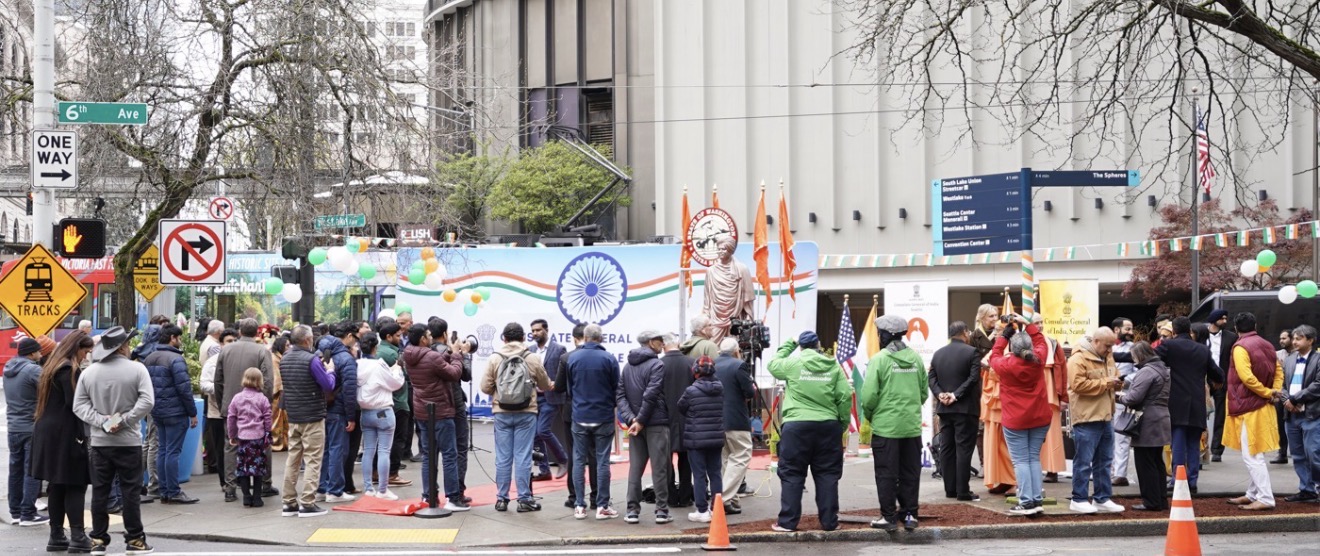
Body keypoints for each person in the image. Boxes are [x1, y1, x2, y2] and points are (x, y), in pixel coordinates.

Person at [72, 327, 155, 555]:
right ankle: (135, 539)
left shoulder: (89, 372)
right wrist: (125, 420)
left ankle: (98, 539)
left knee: (100, 492)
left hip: (100, 442)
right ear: (122, 347)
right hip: (128, 441)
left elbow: (79, 406)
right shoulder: (137, 369)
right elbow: (147, 401)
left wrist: (102, 422)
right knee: (130, 492)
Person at [766, 331, 852, 533]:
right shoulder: (833, 366)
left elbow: (773, 364)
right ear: (818, 345)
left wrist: (790, 343)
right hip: (827, 425)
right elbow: (844, 396)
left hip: (796, 426)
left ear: (801, 347)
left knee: (792, 473)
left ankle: (787, 522)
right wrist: (842, 424)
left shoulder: (793, 364)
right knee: (828, 474)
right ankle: (830, 522)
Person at [862, 315, 930, 530]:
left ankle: (889, 517)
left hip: (886, 428)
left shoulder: (879, 360)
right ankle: (910, 515)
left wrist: (872, 415)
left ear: (885, 335)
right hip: (911, 427)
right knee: (910, 473)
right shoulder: (916, 358)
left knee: (886, 473)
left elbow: (868, 397)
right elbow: (923, 393)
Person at [31, 332, 95, 552]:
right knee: (76, 484)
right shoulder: (69, 369)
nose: (86, 356)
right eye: (85, 351)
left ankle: (56, 535)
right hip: (65, 433)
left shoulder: (51, 366)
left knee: (56, 485)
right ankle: (78, 536)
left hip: (47, 432)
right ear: (76, 348)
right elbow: (75, 404)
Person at [481, 322, 553, 512]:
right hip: (526, 413)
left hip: (501, 413)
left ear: (504, 339)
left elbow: (485, 387)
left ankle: (501, 499)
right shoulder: (532, 357)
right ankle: (524, 499)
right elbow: (545, 385)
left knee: (503, 457)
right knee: (523, 456)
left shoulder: (495, 358)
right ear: (523, 338)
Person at [989, 315, 1052, 517]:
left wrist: (1004, 337)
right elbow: (1042, 342)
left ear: (1013, 349)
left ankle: (1026, 502)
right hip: (1040, 417)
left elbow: (993, 355)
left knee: (1021, 461)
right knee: (1033, 458)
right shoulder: (1038, 359)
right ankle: (1036, 499)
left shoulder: (1005, 365)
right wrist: (1027, 323)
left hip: (1015, 419)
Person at [402, 323, 468, 511]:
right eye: (428, 335)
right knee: (449, 455)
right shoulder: (431, 356)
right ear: (423, 339)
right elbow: (454, 373)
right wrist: (457, 355)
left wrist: (448, 354)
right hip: (441, 411)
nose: (431, 337)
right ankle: (453, 498)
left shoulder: (409, 354)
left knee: (428, 456)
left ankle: (428, 495)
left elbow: (435, 365)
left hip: (423, 411)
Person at [1155, 317, 1224, 494]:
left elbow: (1150, 359)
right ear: (1189, 330)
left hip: (1177, 401)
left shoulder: (1169, 346)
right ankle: (1192, 481)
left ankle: (1178, 480)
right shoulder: (1202, 349)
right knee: (1193, 443)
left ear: (1174, 331)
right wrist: (1218, 381)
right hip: (1197, 402)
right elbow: (1217, 372)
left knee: (1177, 442)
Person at [1223, 312, 1283, 510]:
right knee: (1255, 453)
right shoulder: (1268, 345)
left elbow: (1246, 377)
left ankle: (1265, 498)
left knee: (1252, 456)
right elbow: (1279, 371)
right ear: (1255, 326)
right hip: (1262, 405)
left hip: (1248, 407)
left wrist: (1267, 392)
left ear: (1235, 328)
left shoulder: (1240, 347)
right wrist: (1273, 391)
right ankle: (1253, 494)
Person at [215, 319, 275, 503]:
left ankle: (230, 488)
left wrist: (222, 403)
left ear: (240, 331)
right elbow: (268, 380)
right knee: (263, 445)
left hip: (231, 405)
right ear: (257, 332)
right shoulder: (262, 351)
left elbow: (218, 380)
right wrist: (264, 402)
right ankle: (265, 484)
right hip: (256, 407)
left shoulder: (225, 350)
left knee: (231, 445)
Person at [279, 325, 336, 518]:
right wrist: (330, 371)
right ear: (307, 340)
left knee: (293, 459)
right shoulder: (311, 360)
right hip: (312, 416)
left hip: (294, 415)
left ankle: (288, 502)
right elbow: (328, 385)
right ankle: (307, 503)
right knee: (313, 459)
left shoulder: (285, 358)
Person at [1066, 327, 1125, 514]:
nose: (1110, 350)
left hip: (1106, 416)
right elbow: (1077, 385)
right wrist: (1108, 382)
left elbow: (1113, 376)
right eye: (1107, 346)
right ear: (1096, 341)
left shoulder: (1107, 356)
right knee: (1084, 461)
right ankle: (1079, 499)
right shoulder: (1078, 359)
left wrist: (1118, 383)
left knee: (1104, 461)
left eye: (1112, 346)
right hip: (1087, 418)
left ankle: (1102, 498)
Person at [617, 330, 673, 524]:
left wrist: (632, 419)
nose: (662, 343)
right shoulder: (657, 364)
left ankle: (632, 510)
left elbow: (620, 396)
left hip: (635, 425)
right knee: (660, 468)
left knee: (635, 468)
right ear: (650, 342)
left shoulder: (627, 366)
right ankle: (661, 510)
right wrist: (639, 420)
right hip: (655, 423)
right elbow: (651, 394)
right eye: (659, 340)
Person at [566, 324, 621, 520]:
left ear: (585, 337)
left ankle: (579, 505)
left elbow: (570, 389)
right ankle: (602, 505)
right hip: (603, 415)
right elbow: (616, 388)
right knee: (602, 461)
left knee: (579, 460)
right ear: (601, 338)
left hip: (580, 415)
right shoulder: (609, 359)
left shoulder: (573, 358)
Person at [143, 324, 199, 505]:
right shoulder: (176, 359)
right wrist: (192, 413)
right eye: (179, 337)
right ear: (172, 338)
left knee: (163, 450)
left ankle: (164, 490)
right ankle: (174, 491)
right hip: (175, 411)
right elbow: (184, 389)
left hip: (157, 411)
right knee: (173, 452)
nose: (180, 341)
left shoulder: (149, 358)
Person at [928, 321, 982, 502]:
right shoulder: (972, 352)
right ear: (965, 333)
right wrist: (955, 395)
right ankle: (963, 491)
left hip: (945, 409)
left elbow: (931, 378)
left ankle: (950, 489)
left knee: (947, 448)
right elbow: (973, 378)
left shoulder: (938, 353)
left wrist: (940, 394)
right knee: (963, 449)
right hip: (965, 409)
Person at [1117, 342, 1171, 512]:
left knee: (1145, 463)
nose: (1133, 360)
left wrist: (1119, 397)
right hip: (1161, 417)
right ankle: (1161, 500)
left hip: (1148, 421)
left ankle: (1151, 502)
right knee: (1157, 462)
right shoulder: (1163, 369)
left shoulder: (1146, 371)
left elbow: (1133, 398)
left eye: (1133, 356)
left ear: (1140, 355)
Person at [355, 331, 405, 501]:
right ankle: (383, 490)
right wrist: (397, 370)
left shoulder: (357, 364)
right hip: (383, 411)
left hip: (365, 412)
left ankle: (368, 488)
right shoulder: (379, 365)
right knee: (384, 451)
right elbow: (395, 383)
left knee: (368, 451)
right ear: (375, 347)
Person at [428, 317, 473, 504]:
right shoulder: (449, 353)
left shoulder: (424, 352)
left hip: (430, 407)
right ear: (445, 334)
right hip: (454, 404)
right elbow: (466, 375)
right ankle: (457, 492)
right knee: (458, 449)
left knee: (431, 452)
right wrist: (464, 355)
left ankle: (430, 494)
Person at [314, 321, 359, 503]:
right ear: (348, 336)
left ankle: (321, 488)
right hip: (339, 410)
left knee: (325, 450)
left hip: (322, 408)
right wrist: (351, 416)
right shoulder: (346, 359)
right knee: (338, 450)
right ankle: (335, 490)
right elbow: (349, 390)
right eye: (355, 338)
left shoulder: (318, 353)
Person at [554, 324, 598, 509]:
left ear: (574, 338)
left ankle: (574, 497)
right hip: (595, 410)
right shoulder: (603, 356)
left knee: (574, 453)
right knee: (594, 454)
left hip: (572, 410)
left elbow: (559, 387)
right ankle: (597, 498)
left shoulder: (566, 357)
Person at [5, 337, 47, 527]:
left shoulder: (8, 368)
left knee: (15, 470)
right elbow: (51, 389)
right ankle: (28, 514)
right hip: (31, 426)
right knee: (31, 470)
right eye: (38, 351)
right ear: (32, 353)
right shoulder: (33, 370)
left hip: (13, 427)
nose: (40, 354)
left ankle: (15, 512)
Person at [678, 356, 725, 523]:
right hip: (716, 437)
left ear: (696, 371)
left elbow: (681, 407)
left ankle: (702, 510)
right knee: (715, 473)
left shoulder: (691, 391)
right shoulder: (720, 388)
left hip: (696, 438)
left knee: (699, 475)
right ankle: (717, 509)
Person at [713, 338, 754, 515]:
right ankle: (724, 498)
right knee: (741, 455)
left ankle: (730, 498)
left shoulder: (712, 364)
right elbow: (749, 392)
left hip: (715, 418)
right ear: (737, 350)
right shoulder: (739, 365)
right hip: (735, 418)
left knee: (725, 459)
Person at [528, 319, 569, 480]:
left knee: (542, 430)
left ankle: (563, 460)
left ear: (546, 330)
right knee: (535, 436)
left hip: (551, 397)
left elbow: (563, 372)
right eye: (533, 331)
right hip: (533, 397)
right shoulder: (530, 350)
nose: (535, 333)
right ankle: (544, 471)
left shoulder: (558, 349)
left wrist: (556, 384)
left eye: (538, 330)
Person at [1283, 324, 1320, 502]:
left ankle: (1317, 487)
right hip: (1292, 415)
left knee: (1314, 454)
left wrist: (1295, 399)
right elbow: (1282, 385)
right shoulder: (1290, 359)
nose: (1295, 342)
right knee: (1297, 455)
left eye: (1299, 338)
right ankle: (1307, 490)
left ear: (1311, 340)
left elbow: (1318, 385)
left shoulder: (1318, 359)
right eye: (1294, 338)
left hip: (1312, 414)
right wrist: (1286, 400)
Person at [226, 368, 273, 508]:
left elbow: (231, 417)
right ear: (259, 381)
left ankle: (246, 497)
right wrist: (268, 433)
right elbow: (268, 417)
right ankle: (257, 498)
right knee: (258, 469)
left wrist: (232, 434)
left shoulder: (237, 398)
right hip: (258, 439)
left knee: (243, 469)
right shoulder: (262, 399)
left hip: (243, 439)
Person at [660, 333, 697, 508]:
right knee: (686, 459)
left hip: (664, 418)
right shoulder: (691, 363)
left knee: (665, 460)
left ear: (663, 346)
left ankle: (670, 497)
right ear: (679, 343)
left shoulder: (658, 364)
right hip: (687, 417)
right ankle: (685, 496)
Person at [1033, 314, 1069, 483]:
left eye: (1041, 322)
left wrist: (1064, 397)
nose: (1040, 326)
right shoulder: (1022, 343)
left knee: (1052, 432)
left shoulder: (1053, 343)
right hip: (1031, 394)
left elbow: (1063, 370)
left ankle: (1052, 470)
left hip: (1051, 393)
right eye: (1036, 323)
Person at [376, 322, 412, 488]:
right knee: (398, 439)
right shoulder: (392, 354)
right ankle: (392, 473)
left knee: (381, 440)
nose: (400, 338)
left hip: (383, 402)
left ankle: (377, 472)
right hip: (397, 402)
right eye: (398, 336)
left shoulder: (379, 350)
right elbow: (403, 376)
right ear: (388, 337)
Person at [702, 235, 756, 343]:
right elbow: (707, 298)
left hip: (736, 317)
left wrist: (749, 319)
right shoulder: (711, 271)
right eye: (719, 249)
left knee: (735, 347)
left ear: (730, 250)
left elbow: (748, 298)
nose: (721, 252)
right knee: (713, 346)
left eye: (724, 249)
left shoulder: (742, 269)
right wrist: (705, 316)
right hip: (716, 318)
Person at [200, 327, 235, 483]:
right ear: (221, 343)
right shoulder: (212, 362)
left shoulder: (237, 360)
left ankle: (237, 478)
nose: (231, 343)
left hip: (237, 412)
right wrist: (222, 388)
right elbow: (203, 384)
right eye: (228, 341)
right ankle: (224, 481)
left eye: (234, 341)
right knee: (221, 447)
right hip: (217, 412)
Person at [1205, 309, 1237, 462]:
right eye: (1221, 318)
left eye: (1226, 318)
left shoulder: (1231, 337)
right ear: (1213, 319)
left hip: (1222, 379)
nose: (1225, 321)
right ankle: (1201, 447)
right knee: (1200, 413)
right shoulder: (1202, 334)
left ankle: (1217, 449)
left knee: (1221, 415)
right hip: (1204, 378)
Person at [1109, 317, 1136, 487]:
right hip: (1104, 396)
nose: (1130, 332)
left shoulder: (1133, 348)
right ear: (1116, 330)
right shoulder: (1107, 347)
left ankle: (1120, 474)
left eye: (1131, 328)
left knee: (1121, 436)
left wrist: (1123, 379)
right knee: (1108, 436)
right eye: (1127, 328)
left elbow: (1139, 371)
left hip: (1123, 396)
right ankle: (1110, 472)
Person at [1272, 330, 1295, 465]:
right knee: (1279, 424)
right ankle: (1282, 453)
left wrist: (1283, 367)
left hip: (1295, 393)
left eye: (1284, 338)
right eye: (1280, 338)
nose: (1281, 341)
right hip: (1280, 392)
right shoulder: (1277, 354)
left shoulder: (1299, 354)